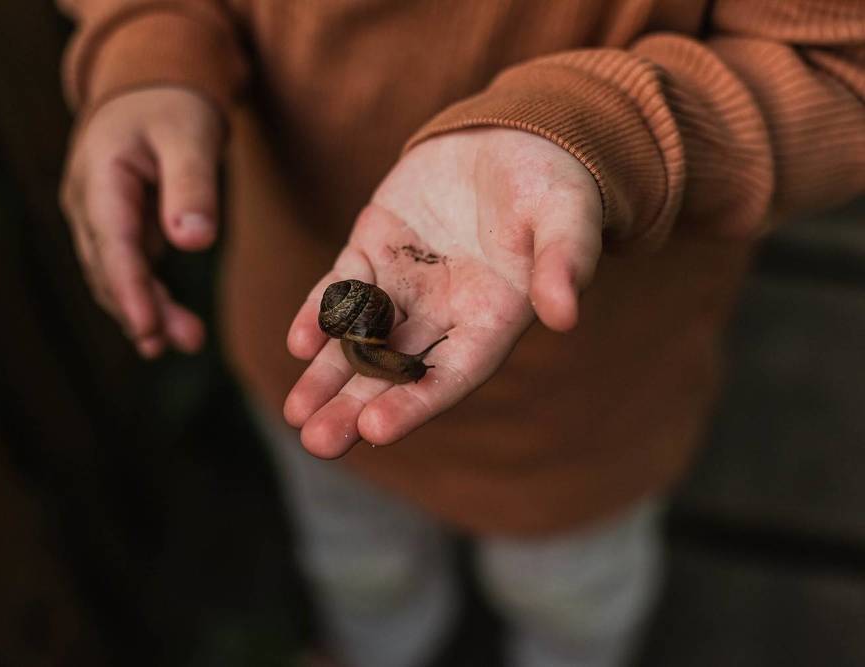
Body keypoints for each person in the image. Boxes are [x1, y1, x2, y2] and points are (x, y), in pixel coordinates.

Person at [57, 1, 865, 665]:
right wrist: (147, 47)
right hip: (300, 353)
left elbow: (840, 65)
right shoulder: (354, 331)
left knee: (573, 598)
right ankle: (375, 645)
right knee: (357, 559)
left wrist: (606, 129)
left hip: (583, 417)